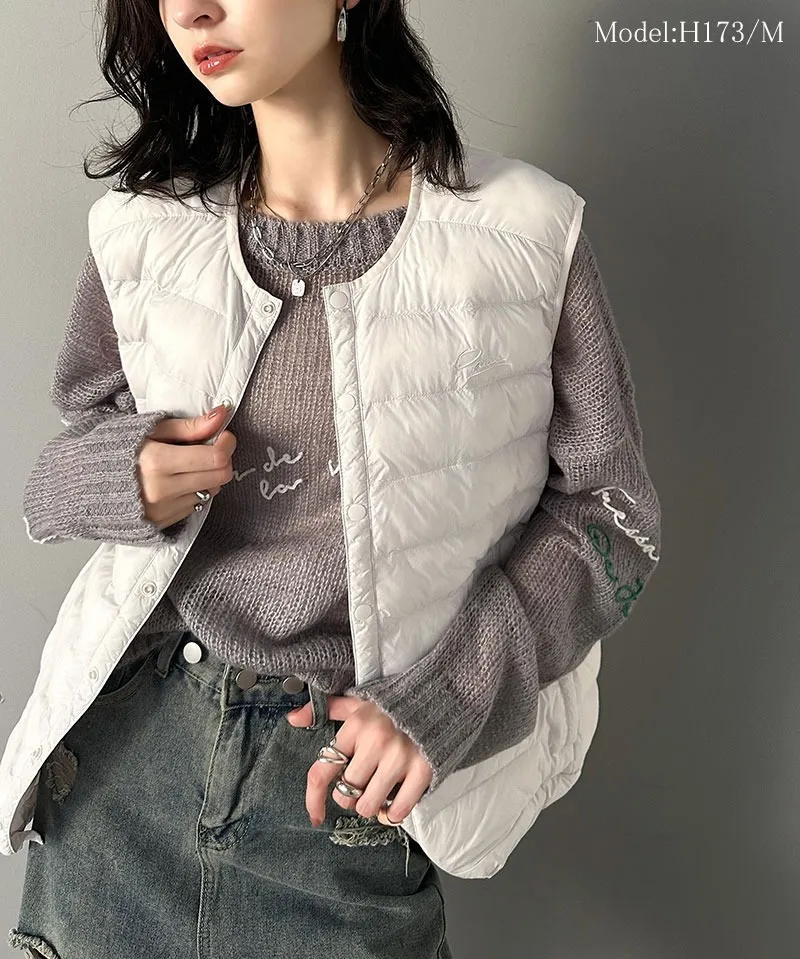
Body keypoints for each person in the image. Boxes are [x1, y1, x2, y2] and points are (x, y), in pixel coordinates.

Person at [4, 1, 662, 957]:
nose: (194, 9)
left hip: (337, 799)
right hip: (121, 783)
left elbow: (613, 518)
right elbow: (57, 472)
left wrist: (446, 699)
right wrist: (126, 473)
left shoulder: (520, 236)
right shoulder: (144, 234)